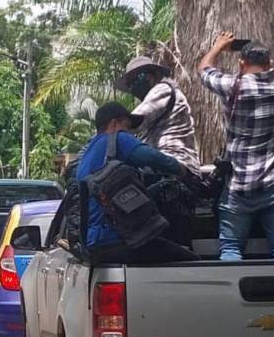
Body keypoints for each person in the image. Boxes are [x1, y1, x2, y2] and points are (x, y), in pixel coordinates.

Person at [199, 32, 274, 260]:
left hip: (238, 189)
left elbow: (204, 71)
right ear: (270, 63)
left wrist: (217, 47)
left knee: (231, 249)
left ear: (242, 63)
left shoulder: (232, 85)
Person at [77, 102, 197, 264]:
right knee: (190, 261)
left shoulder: (87, 154)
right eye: (127, 128)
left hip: (93, 242)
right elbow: (152, 158)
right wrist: (183, 170)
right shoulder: (117, 138)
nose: (129, 134)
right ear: (114, 124)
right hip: (117, 238)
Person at [115, 56, 201, 176]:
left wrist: (107, 132)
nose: (135, 85)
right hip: (160, 166)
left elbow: (133, 123)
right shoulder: (153, 102)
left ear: (153, 75)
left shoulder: (163, 89)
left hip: (175, 164)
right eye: (130, 84)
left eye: (138, 78)